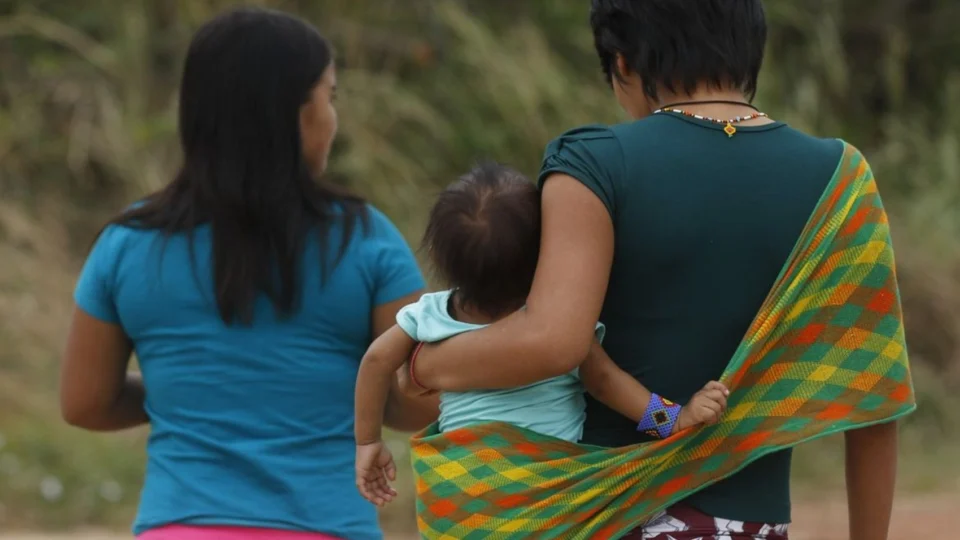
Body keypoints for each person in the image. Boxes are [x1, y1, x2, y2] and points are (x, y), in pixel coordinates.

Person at [407, 1, 900, 539]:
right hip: (746, 524)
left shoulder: (592, 163)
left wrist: (425, 365)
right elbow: (874, 403)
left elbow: (554, 341)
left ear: (622, 64)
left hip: (607, 515)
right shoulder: (842, 180)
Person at [59, 8, 436, 540]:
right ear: (292, 114)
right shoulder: (366, 240)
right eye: (329, 97)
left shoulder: (126, 244)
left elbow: (84, 402)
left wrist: (190, 391)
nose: (333, 118)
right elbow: (417, 403)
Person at [351, 163, 729, 506]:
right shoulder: (556, 325)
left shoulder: (429, 315)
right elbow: (606, 381)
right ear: (544, 253)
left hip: (462, 493)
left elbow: (376, 360)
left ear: (439, 255)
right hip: (541, 492)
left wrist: (367, 441)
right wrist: (675, 420)